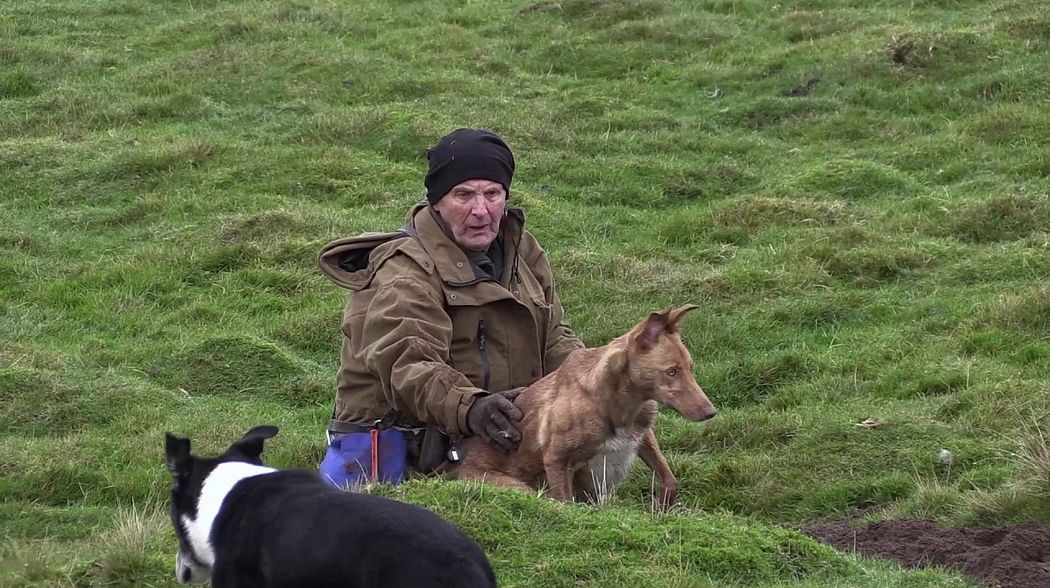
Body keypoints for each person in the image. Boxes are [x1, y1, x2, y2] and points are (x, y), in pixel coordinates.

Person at [316, 128, 584, 488]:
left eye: (492, 194)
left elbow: (554, 335)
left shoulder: (522, 250)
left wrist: (592, 377)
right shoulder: (403, 272)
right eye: (463, 195)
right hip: (411, 457)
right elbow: (408, 364)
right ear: (436, 201)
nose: (480, 210)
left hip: (500, 439)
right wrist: (473, 408)